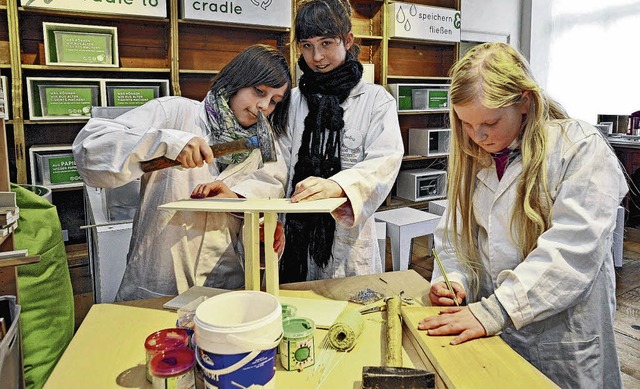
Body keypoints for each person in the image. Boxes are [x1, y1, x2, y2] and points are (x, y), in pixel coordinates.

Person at [417, 42, 626, 388]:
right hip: (495, 330)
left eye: (490, 122)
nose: (478, 136)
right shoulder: (476, 155)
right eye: (466, 124)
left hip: (563, 338)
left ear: (524, 101)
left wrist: (496, 310)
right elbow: (455, 237)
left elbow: (571, 253)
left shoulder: (579, 149)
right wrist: (452, 279)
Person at [73, 44, 291, 301]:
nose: (264, 105)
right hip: (158, 282)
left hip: (224, 288)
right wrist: (166, 143)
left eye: (274, 101)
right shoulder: (175, 114)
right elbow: (90, 150)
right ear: (237, 80)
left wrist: (237, 201)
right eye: (259, 91)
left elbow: (270, 192)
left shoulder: (266, 145)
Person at [278, 0, 404, 283]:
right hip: (295, 233)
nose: (317, 57)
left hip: (348, 239)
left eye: (326, 43)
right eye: (307, 45)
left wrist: (338, 185)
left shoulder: (375, 100)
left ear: (347, 40)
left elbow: (385, 161)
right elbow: (278, 161)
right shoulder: (294, 99)